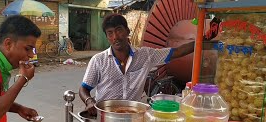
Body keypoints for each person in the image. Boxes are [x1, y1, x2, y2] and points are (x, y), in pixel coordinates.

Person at [79, 13, 216, 115]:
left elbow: (177, 51)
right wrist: (89, 101)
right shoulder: (98, 60)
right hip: (106, 116)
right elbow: (83, 89)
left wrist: (201, 42)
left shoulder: (146, 55)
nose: (115, 36)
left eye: (119, 30)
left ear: (127, 31)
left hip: (135, 116)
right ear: (107, 37)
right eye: (110, 33)